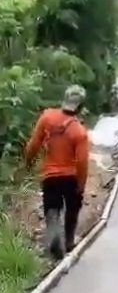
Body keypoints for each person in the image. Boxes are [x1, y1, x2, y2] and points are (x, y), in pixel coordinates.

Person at [25, 85, 90, 259]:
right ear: (81, 107)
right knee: (72, 209)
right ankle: (68, 240)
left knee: (52, 207)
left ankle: (54, 231)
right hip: (71, 177)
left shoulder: (47, 117)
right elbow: (82, 162)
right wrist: (81, 185)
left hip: (50, 176)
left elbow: (33, 145)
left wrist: (28, 162)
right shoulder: (79, 132)